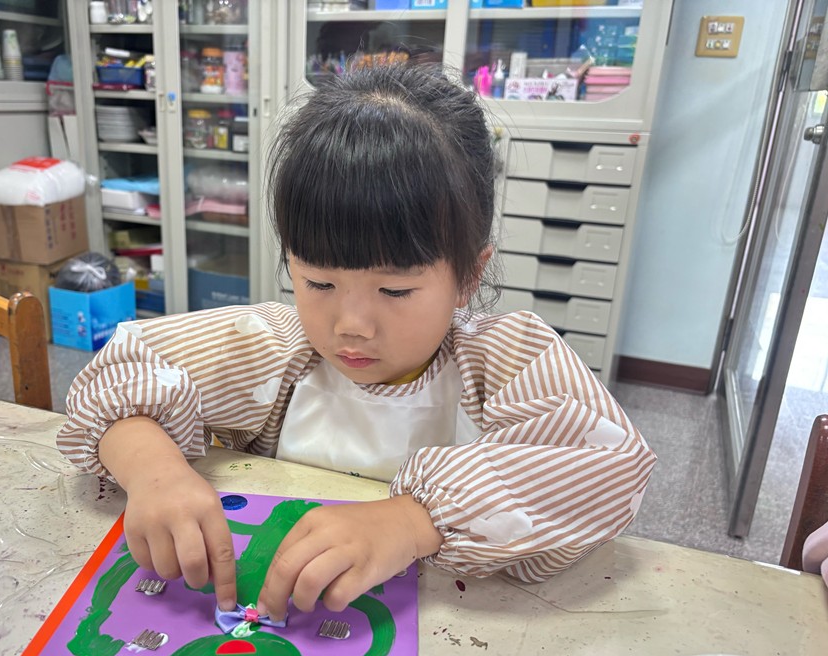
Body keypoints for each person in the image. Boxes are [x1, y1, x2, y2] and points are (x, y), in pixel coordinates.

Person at [58, 63, 656, 624]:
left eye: (394, 290)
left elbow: (611, 469)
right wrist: (154, 471)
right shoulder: (274, 348)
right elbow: (122, 368)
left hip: (454, 633)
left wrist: (412, 522)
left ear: (469, 276)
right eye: (318, 282)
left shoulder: (504, 359)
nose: (351, 325)